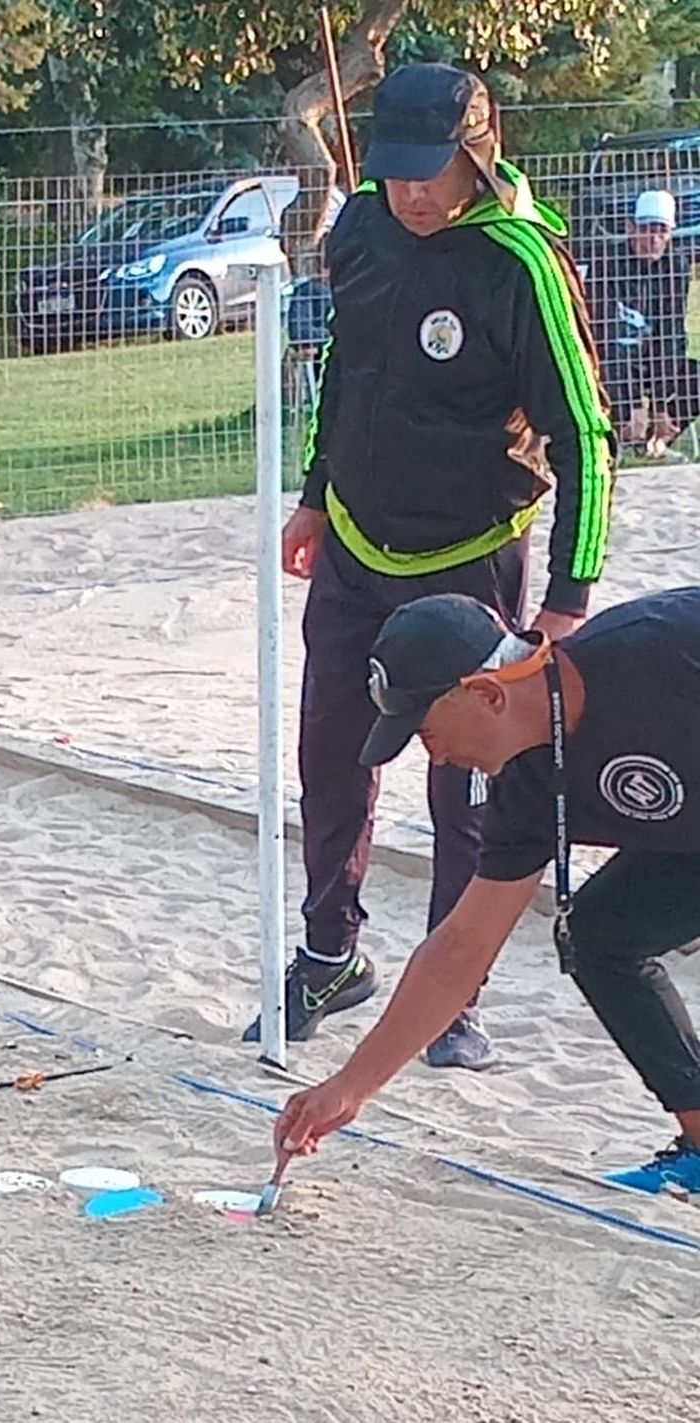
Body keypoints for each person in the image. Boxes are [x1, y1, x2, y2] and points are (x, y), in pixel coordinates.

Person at [243, 62, 615, 1070]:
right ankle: (329, 951)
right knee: (332, 755)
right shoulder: (360, 228)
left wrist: (567, 601)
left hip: (470, 560)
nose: (411, 192)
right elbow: (345, 371)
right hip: (357, 545)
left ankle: (449, 995)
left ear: (477, 155)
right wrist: (317, 493)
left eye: (433, 171)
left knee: (467, 781)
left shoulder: (520, 262)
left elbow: (585, 437)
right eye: (397, 170)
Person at [276, 587, 700, 1196]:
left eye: (424, 733)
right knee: (597, 936)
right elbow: (459, 951)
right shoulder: (526, 786)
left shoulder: (657, 654)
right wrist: (348, 1088)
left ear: (486, 693)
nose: (437, 757)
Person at [583, 189, 699, 457]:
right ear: (630, 228)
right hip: (612, 359)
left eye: (662, 231)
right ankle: (624, 434)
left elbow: (670, 334)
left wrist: (661, 403)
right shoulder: (607, 264)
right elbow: (606, 335)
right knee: (605, 370)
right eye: (647, 229)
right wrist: (633, 401)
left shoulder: (675, 266)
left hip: (651, 355)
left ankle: (659, 436)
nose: (654, 240)